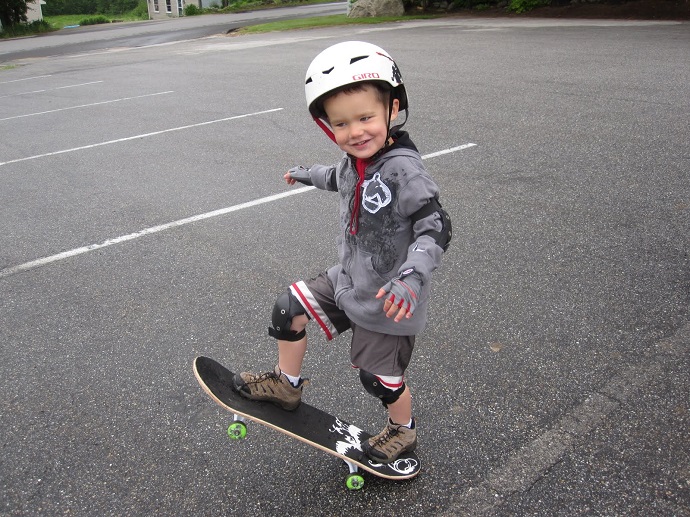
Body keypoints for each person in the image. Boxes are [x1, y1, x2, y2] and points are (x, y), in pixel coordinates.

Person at [233, 41, 451, 463]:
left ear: (392, 107)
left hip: (390, 297)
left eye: (366, 117)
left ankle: (402, 431)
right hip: (348, 279)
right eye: (341, 124)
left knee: (378, 379)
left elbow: (436, 227)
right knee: (287, 309)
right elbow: (336, 175)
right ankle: (286, 385)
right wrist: (307, 174)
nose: (355, 133)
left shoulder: (404, 170)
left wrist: (413, 276)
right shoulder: (355, 159)